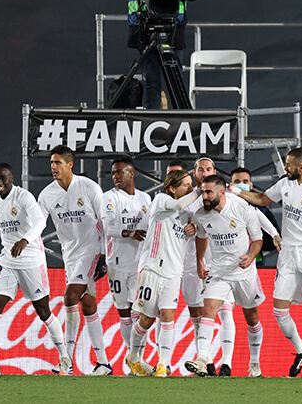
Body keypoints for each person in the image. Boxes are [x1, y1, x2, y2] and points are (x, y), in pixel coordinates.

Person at [230, 147, 302, 378]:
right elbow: (262, 199)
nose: (285, 168)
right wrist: (235, 191)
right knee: (279, 311)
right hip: (289, 254)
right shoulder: (285, 184)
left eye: (289, 165)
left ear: (301, 167)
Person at [0, 163, 69, 376]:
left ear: (12, 179)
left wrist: (25, 240)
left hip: (31, 260)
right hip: (8, 259)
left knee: (43, 311)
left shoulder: (24, 197)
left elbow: (40, 222)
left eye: (2, 178)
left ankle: (64, 358)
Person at [37, 145, 112, 376]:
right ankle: (104, 364)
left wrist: (103, 254)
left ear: (70, 165)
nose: (53, 167)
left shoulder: (89, 187)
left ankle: (66, 362)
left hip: (90, 252)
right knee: (88, 305)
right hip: (69, 255)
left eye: (58, 162)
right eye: (51, 163)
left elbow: (105, 221)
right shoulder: (47, 194)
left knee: (69, 297)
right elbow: (38, 225)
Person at [185, 175, 266, 378]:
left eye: (208, 192)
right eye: (203, 191)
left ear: (222, 192)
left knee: (252, 318)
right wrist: (200, 260)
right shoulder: (200, 215)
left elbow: (257, 240)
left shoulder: (242, 209)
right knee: (208, 310)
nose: (204, 196)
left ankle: (254, 362)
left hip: (243, 270)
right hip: (219, 271)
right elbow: (201, 238)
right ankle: (202, 359)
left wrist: (251, 255)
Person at [126, 169, 201, 377]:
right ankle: (133, 357)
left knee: (168, 315)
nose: (190, 188)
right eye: (186, 184)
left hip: (174, 272)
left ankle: (163, 364)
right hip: (152, 268)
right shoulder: (160, 200)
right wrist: (200, 189)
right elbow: (178, 204)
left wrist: (194, 228)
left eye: (191, 184)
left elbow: (201, 228)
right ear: (172, 188)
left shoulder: (189, 213)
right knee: (147, 319)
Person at [100, 157, 152, 372]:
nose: (116, 176)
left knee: (140, 314)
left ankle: (135, 358)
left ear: (132, 173)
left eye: (120, 172)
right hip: (118, 263)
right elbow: (107, 227)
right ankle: (134, 362)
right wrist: (128, 232)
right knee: (124, 312)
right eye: (114, 173)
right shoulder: (109, 197)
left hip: (141, 264)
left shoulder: (145, 198)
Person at [230, 167, 281, 266]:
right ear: (230, 185)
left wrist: (254, 238)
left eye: (245, 181)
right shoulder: (221, 206)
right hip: (226, 260)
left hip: (254, 262)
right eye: (237, 182)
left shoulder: (260, 209)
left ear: (251, 185)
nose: (241, 185)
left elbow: (272, 240)